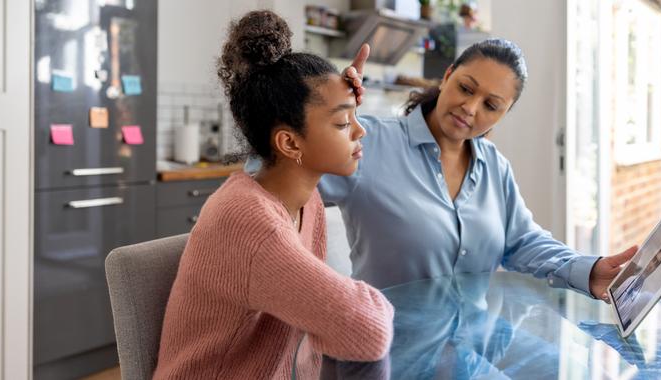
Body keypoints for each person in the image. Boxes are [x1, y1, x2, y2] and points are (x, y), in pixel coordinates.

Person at [247, 39, 637, 301]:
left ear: (503, 114)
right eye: (467, 88)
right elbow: (264, 178)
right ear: (447, 76)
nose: (471, 108)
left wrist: (589, 271)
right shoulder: (370, 143)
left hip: (471, 357)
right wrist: (325, 113)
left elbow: (522, 242)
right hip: (382, 354)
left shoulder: (495, 168)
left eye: (491, 105)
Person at [154, 11, 394, 379]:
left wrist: (337, 98)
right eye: (344, 122)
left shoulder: (304, 200)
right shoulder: (249, 220)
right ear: (288, 142)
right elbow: (368, 328)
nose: (360, 131)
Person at [613, 245, 661, 326]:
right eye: (653, 260)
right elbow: (614, 298)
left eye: (657, 263)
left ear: (657, 268)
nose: (652, 265)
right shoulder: (630, 279)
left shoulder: (647, 295)